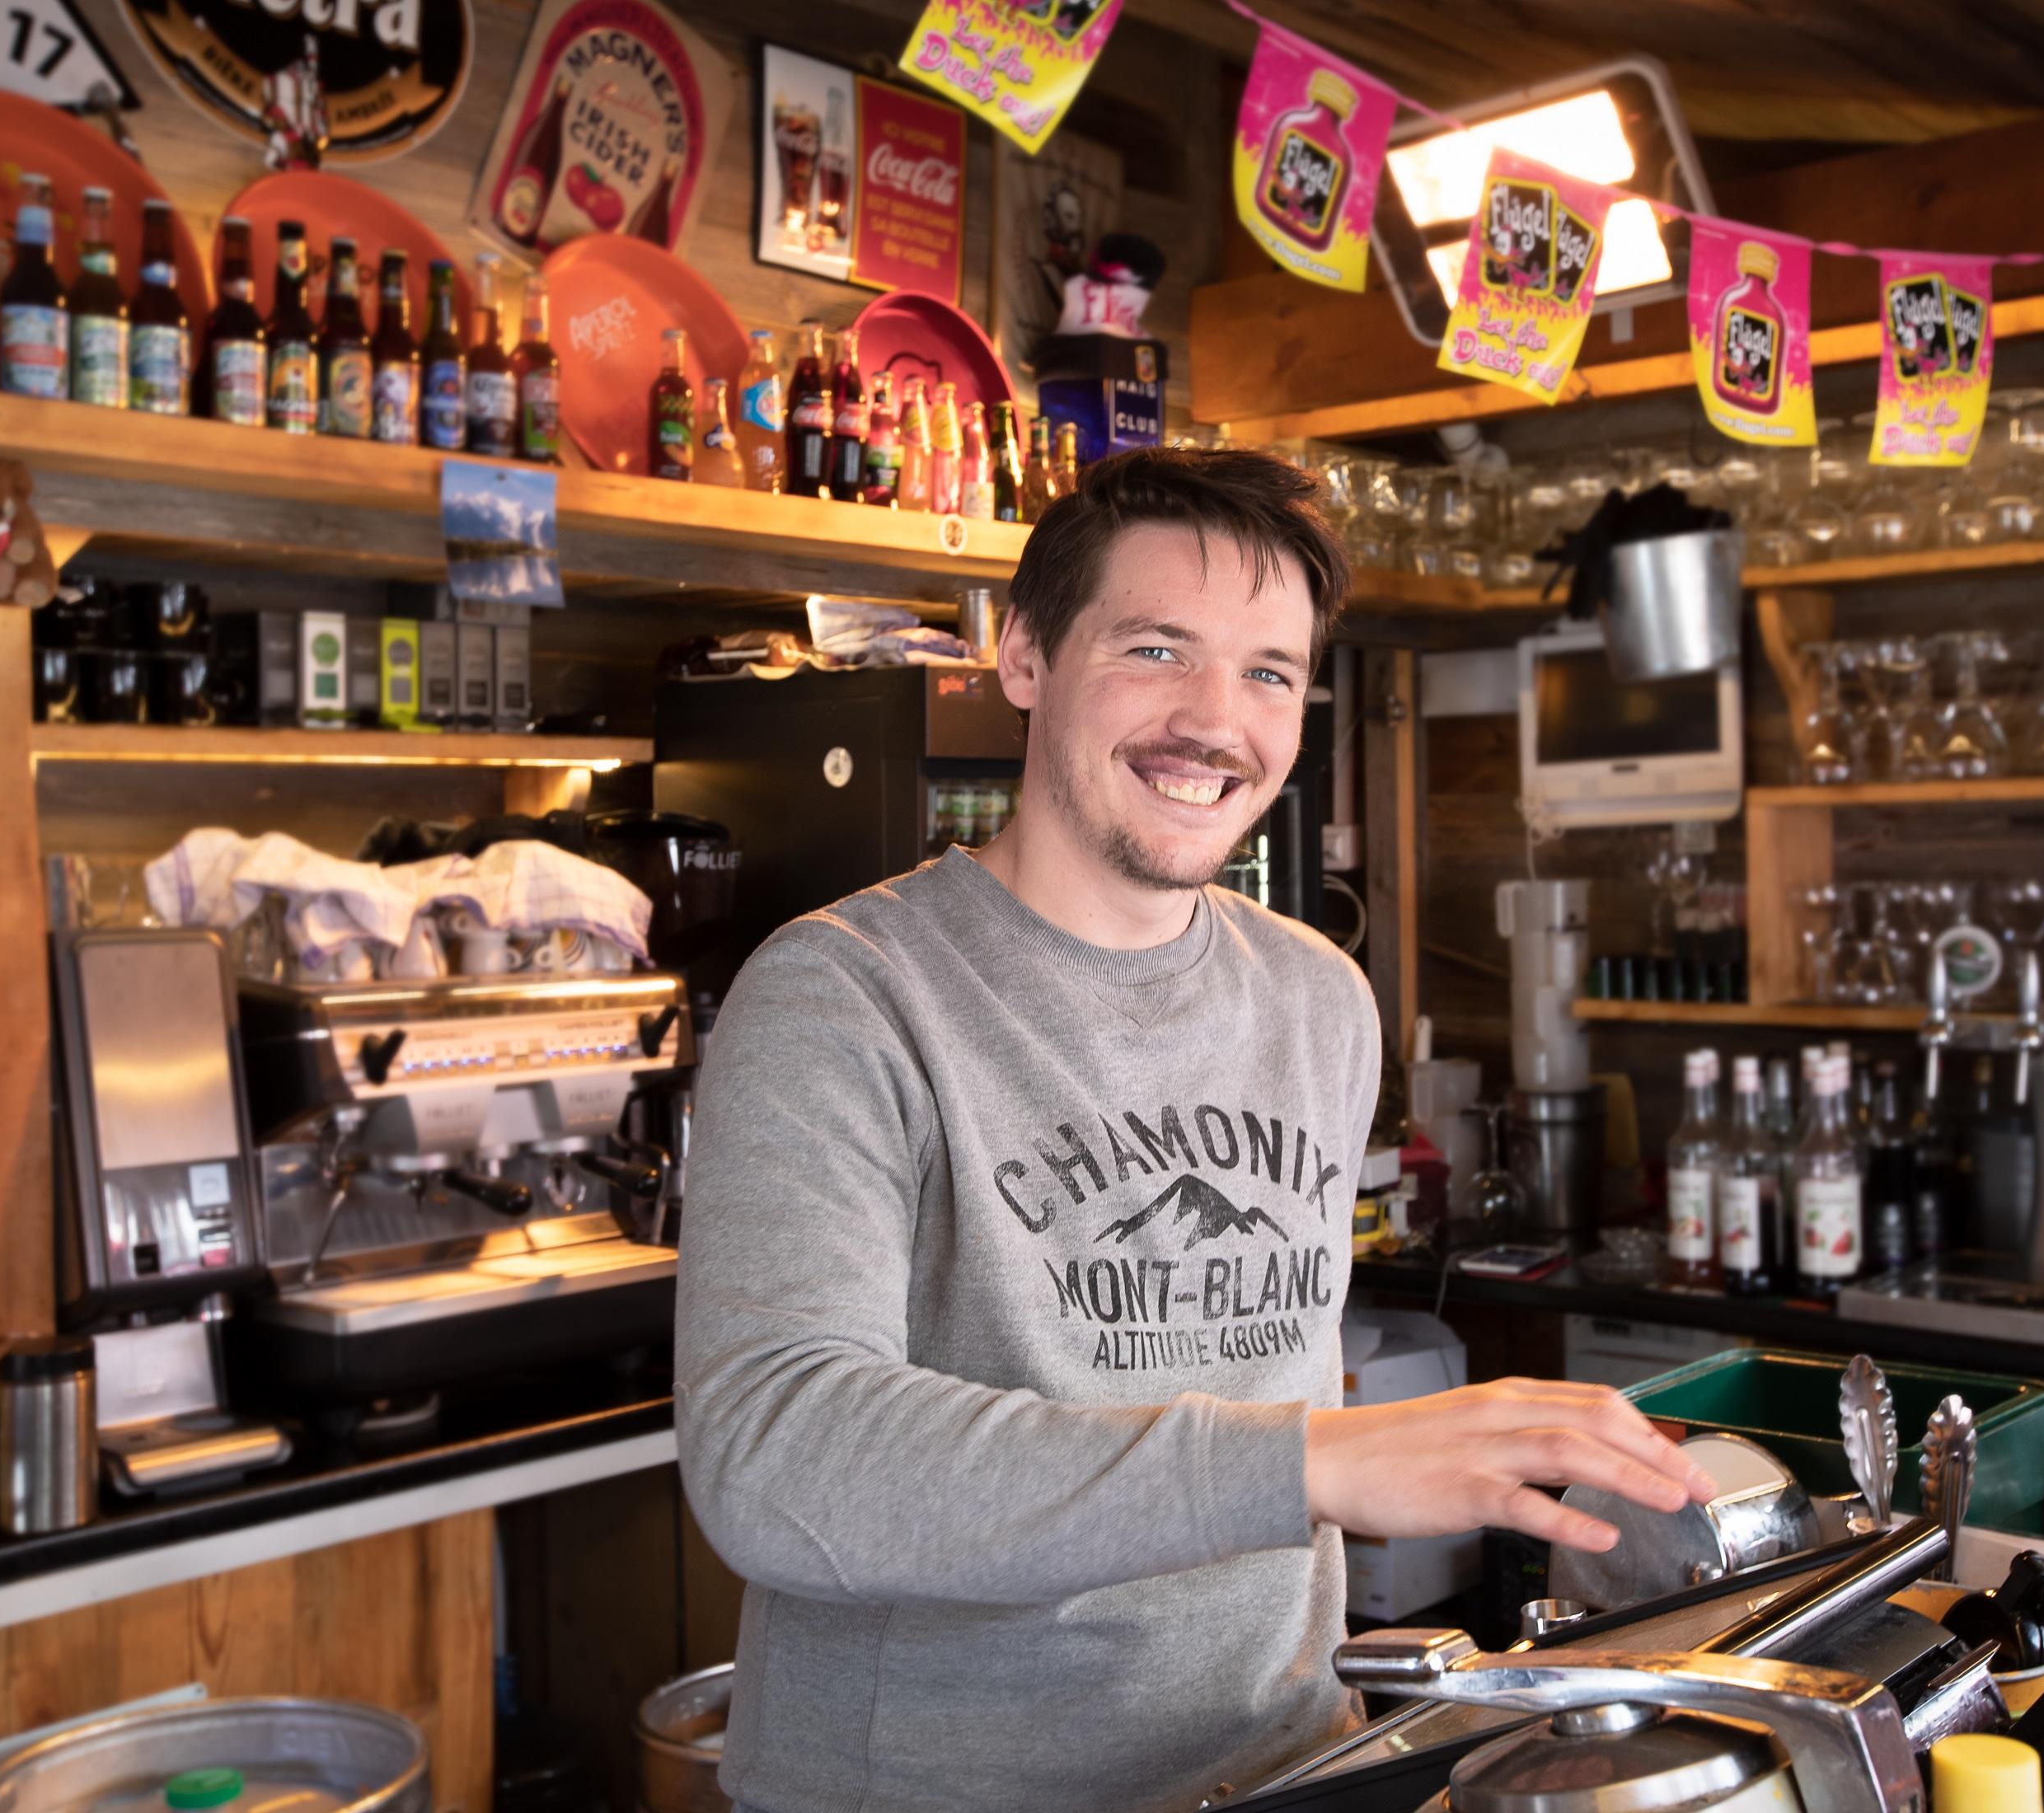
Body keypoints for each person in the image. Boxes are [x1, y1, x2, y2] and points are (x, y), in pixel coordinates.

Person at [677, 447, 1715, 1812]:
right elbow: (776, 1453)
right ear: (1029, 656)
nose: (1215, 722)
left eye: (1270, 672)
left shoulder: (1319, 1000)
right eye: (1158, 648)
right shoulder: (845, 995)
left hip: (1283, 1764)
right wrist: (1308, 1463)